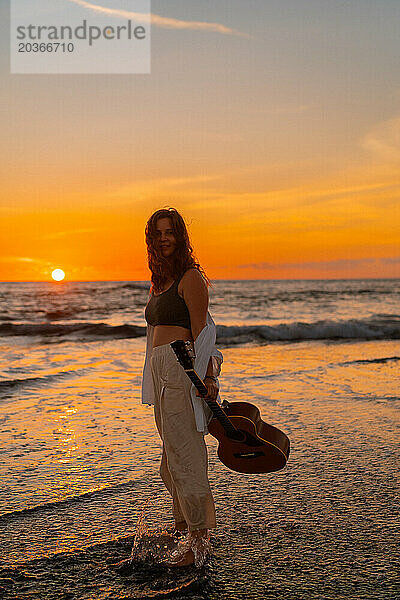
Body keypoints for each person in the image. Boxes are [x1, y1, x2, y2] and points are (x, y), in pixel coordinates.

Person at [141, 207, 223, 568]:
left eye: (169, 232)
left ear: (181, 236)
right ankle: (182, 528)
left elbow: (205, 333)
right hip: (161, 371)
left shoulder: (191, 278)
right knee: (169, 460)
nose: (164, 238)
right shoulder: (158, 282)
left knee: (186, 455)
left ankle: (199, 540)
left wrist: (208, 378)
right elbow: (152, 337)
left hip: (181, 368)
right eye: (157, 233)